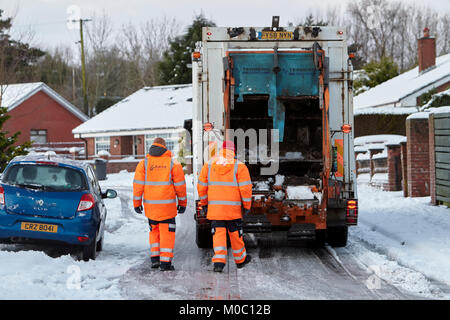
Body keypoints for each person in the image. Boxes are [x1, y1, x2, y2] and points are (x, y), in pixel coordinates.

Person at [197, 140, 252, 272]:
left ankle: (219, 262)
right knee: (235, 234)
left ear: (221, 151)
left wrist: (204, 204)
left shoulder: (208, 165)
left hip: (215, 209)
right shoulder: (239, 166)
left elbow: (202, 188)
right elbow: (245, 189)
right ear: (233, 151)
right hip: (233, 210)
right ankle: (240, 260)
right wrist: (246, 206)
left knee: (218, 234)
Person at [133, 137, 187, 271]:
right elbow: (180, 186)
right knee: (167, 233)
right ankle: (165, 263)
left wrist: (137, 203)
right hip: (167, 207)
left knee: (154, 232)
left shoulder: (143, 164)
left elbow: (138, 185)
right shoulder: (173, 164)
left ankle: (155, 259)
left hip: (151, 207)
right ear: (164, 148)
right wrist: (182, 203)